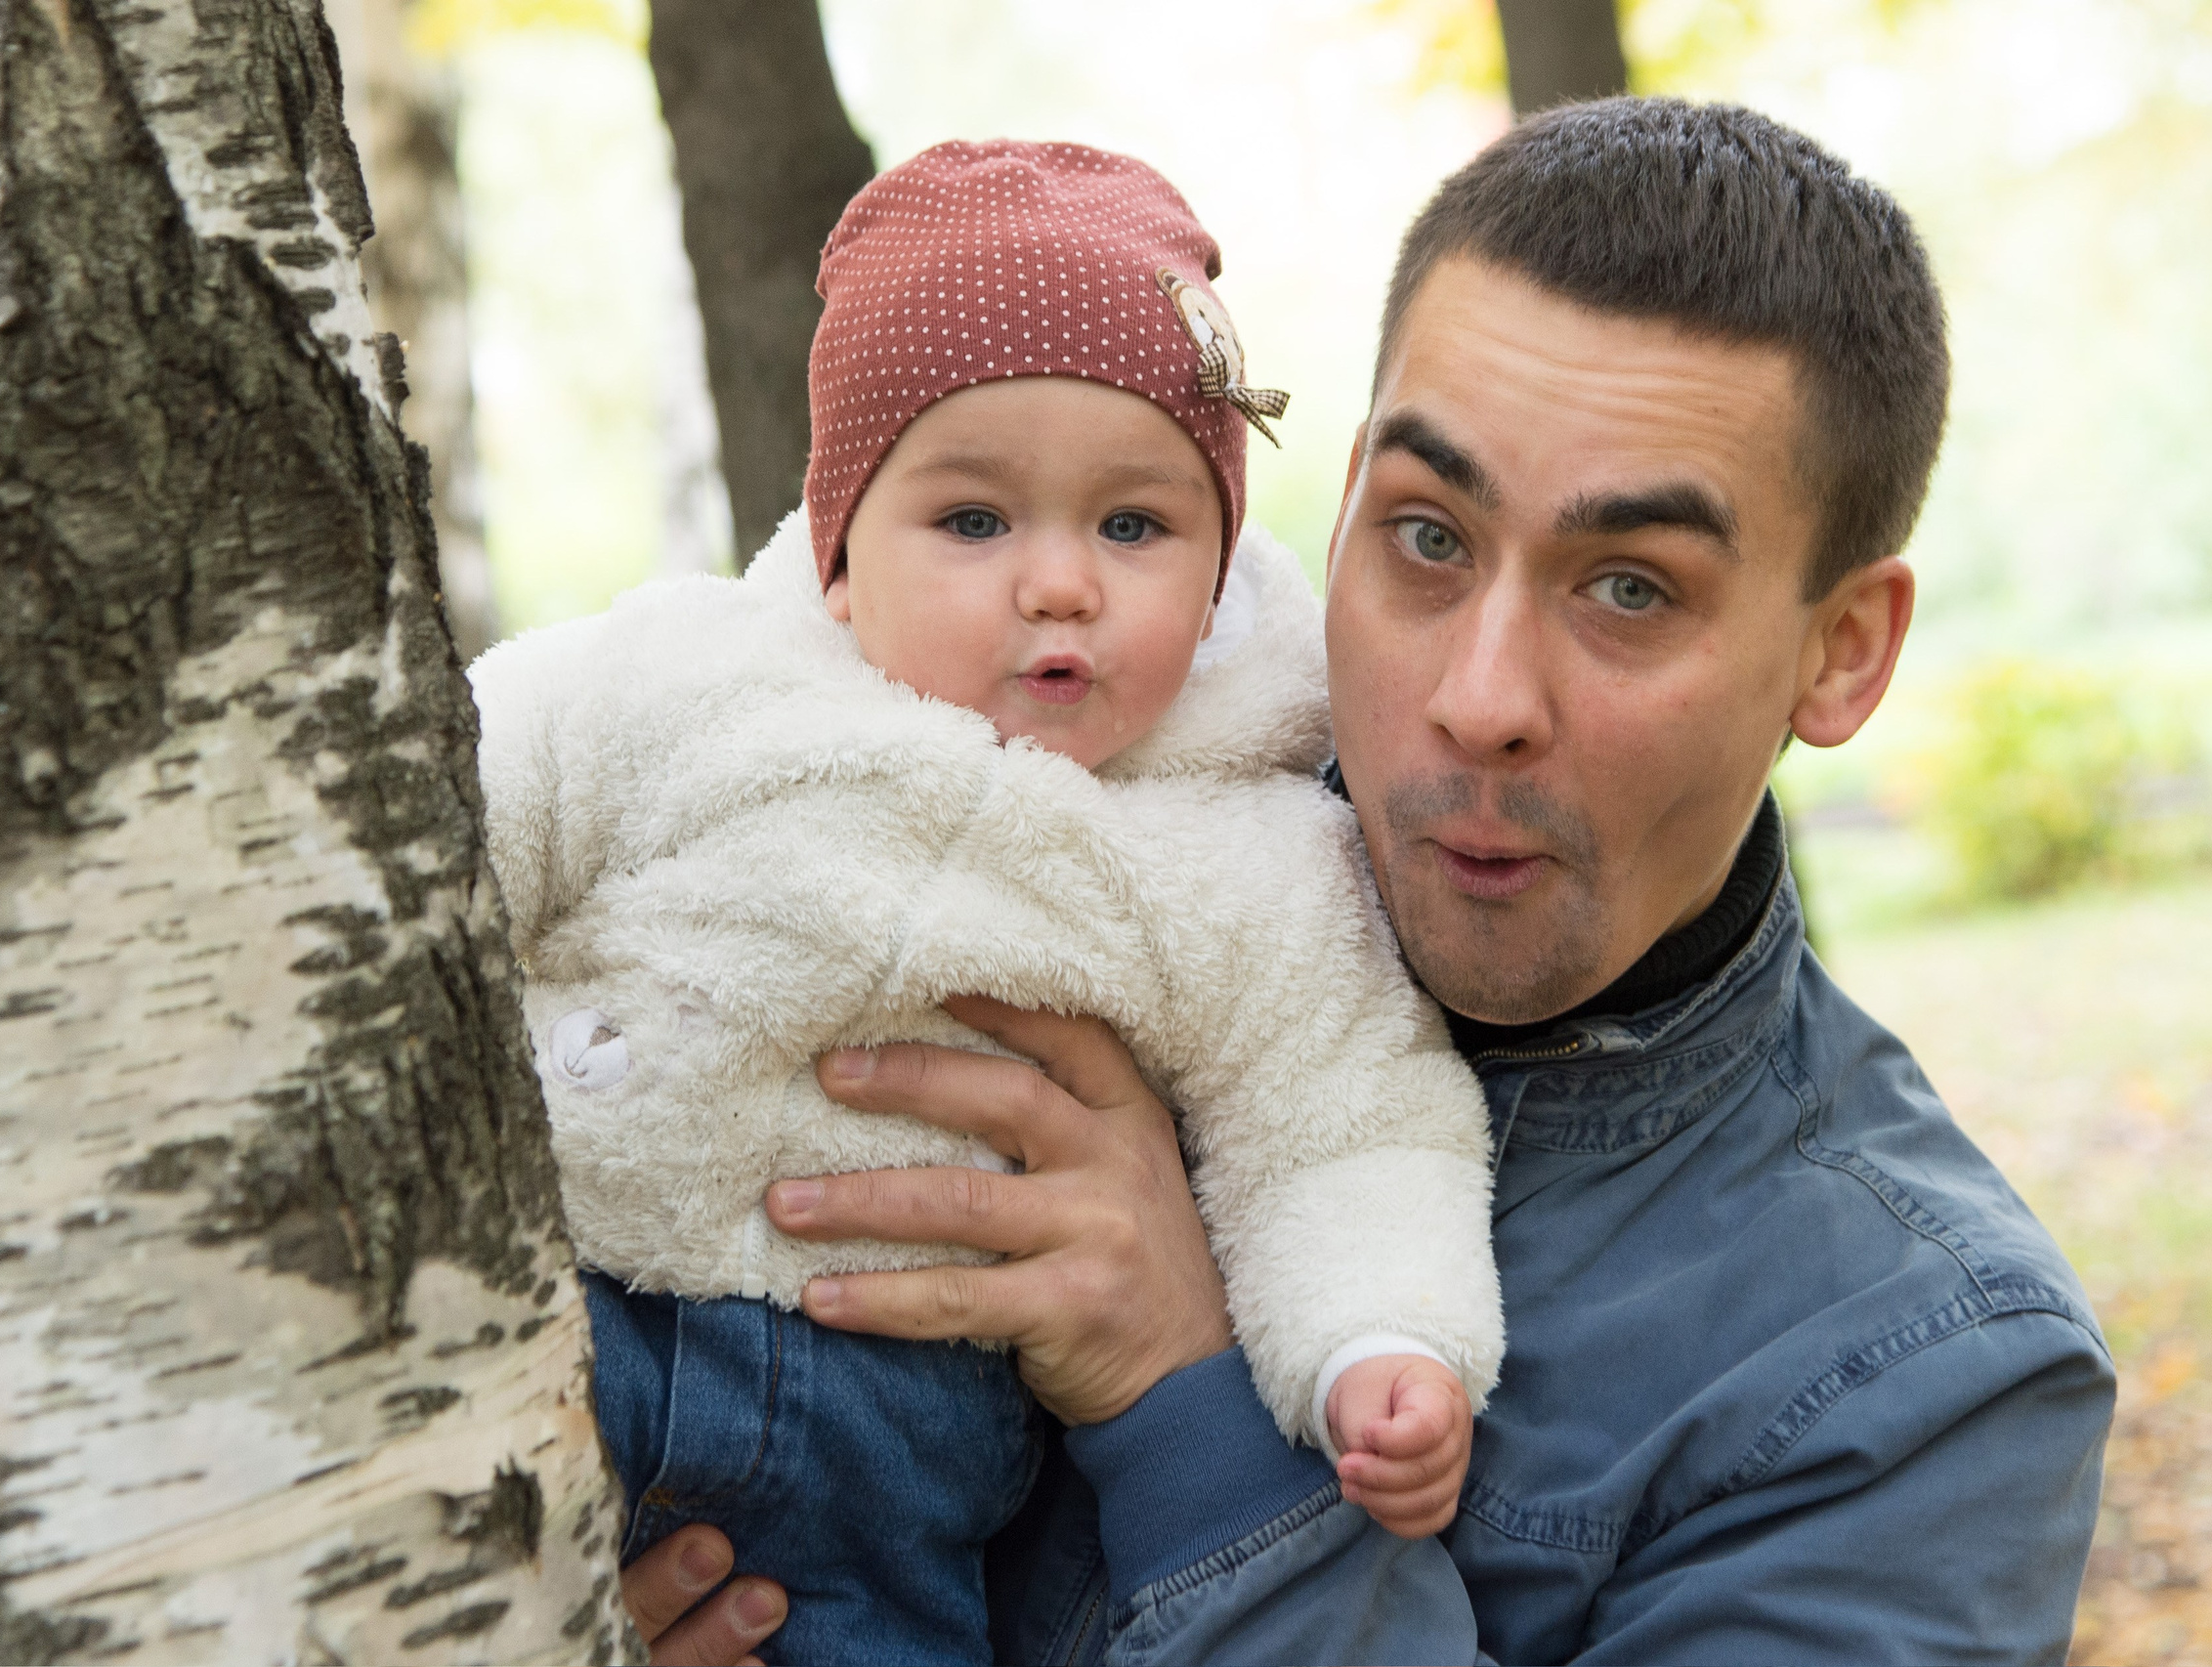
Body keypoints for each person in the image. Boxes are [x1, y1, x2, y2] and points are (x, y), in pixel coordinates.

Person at [622, 99, 2118, 1666]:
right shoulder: (1000, 819)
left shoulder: (1927, 1378)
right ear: (1331, 507)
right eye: (1426, 536)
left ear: (1842, 650)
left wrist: (1181, 1392)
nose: (1481, 694)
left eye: (1629, 587)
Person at [469, 140, 1507, 1664]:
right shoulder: (690, 681)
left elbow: (1344, 1119)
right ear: (838, 559)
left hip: (888, 1434)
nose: (1060, 584)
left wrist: (1381, 1339)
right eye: (972, 522)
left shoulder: (1250, 851)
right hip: (581, 1297)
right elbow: (478, 796)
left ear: (1222, 577)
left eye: (1135, 526)